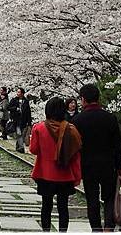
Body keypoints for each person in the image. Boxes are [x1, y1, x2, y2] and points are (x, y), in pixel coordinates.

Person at [71, 84, 121, 232]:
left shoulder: (77, 120)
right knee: (109, 198)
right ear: (98, 98)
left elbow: (74, 146)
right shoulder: (110, 118)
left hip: (87, 165)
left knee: (92, 199)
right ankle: (108, 227)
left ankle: (96, 229)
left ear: (83, 100)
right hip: (108, 164)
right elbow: (117, 145)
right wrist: (120, 167)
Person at [30, 97, 82, 232]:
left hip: (45, 174)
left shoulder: (39, 128)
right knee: (63, 207)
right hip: (65, 175)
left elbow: (33, 149)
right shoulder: (71, 130)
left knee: (46, 206)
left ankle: (46, 231)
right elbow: (76, 154)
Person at [8, 87, 32, 153]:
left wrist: (29, 122)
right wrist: (15, 108)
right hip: (16, 120)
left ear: (22, 93)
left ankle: (18, 147)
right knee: (19, 133)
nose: (17, 93)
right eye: (17, 92)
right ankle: (21, 147)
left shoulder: (26, 101)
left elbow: (28, 112)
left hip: (24, 120)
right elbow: (8, 107)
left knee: (21, 134)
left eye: (19, 92)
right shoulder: (14, 100)